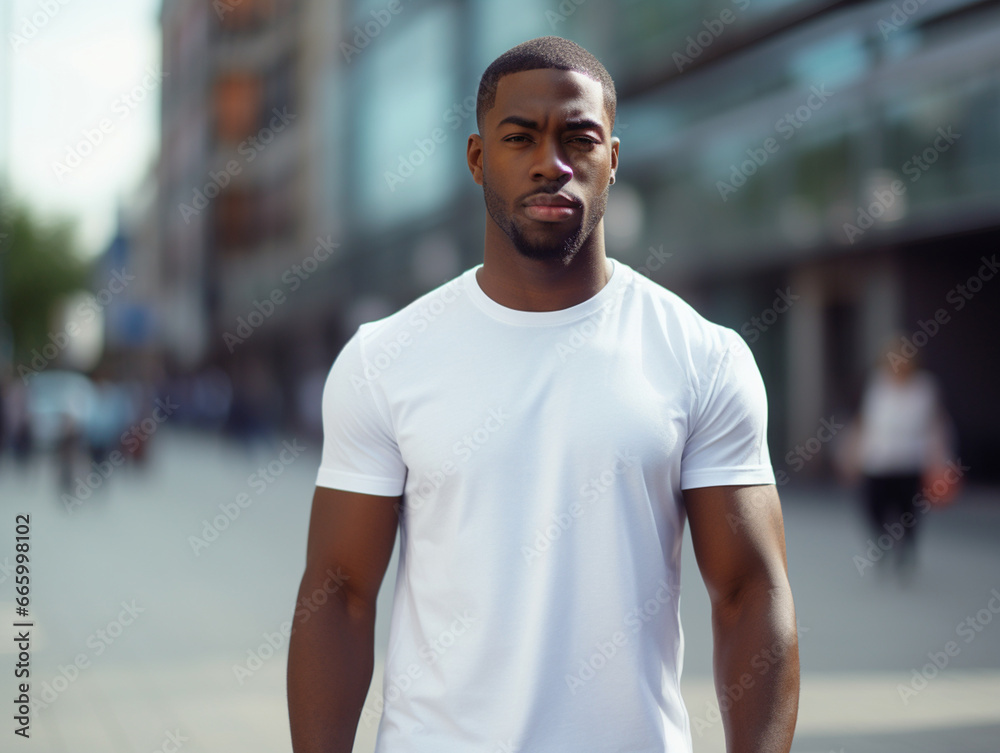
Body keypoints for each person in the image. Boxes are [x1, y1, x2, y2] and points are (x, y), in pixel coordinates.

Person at [287, 36, 799, 753]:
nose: (550, 164)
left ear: (612, 159)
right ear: (477, 159)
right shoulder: (385, 358)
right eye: (520, 137)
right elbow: (338, 595)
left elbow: (750, 593)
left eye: (578, 139)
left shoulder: (702, 355)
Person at [850, 349, 954, 578]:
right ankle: (883, 540)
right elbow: (864, 420)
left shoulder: (925, 386)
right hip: (878, 459)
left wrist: (940, 458)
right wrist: (854, 452)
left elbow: (936, 423)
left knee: (908, 510)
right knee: (873, 507)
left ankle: (906, 552)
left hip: (910, 460)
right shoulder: (876, 383)